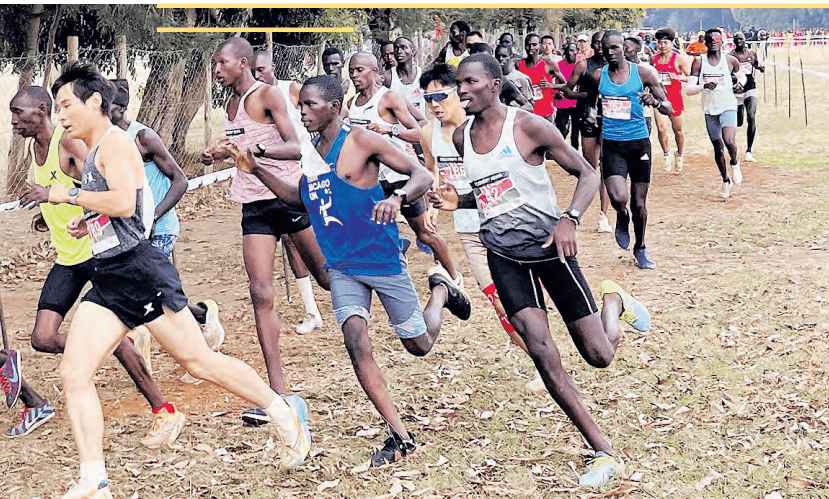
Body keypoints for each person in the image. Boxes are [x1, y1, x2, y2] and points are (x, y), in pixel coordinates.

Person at [48, 62, 310, 499]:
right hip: (109, 275)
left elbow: (124, 203)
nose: (60, 117)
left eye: (66, 105)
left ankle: (282, 413)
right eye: (57, 108)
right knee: (74, 372)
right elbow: (118, 206)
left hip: (139, 270)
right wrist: (88, 219)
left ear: (94, 102)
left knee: (199, 362)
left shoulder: (116, 144)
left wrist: (71, 195)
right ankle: (94, 480)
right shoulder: (92, 148)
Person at [222, 74, 471, 466]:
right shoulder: (310, 151)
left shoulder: (361, 140)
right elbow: (297, 198)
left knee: (418, 345)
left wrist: (399, 198)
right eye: (299, 105)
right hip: (341, 265)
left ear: (333, 108)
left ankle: (440, 288)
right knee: (356, 342)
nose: (300, 112)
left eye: (309, 105)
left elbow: (421, 174)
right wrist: (256, 170)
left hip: (382, 258)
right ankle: (401, 437)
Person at [433, 53, 652, 488]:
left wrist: (569, 217)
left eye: (470, 82)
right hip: (503, 256)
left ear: (495, 84)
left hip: (550, 250)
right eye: (459, 83)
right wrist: (464, 202)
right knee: (541, 350)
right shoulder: (461, 137)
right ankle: (603, 451)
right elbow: (493, 194)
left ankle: (613, 301)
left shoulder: (528, 126)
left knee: (599, 356)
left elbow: (587, 174)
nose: (461, 91)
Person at [9, 86, 185, 448]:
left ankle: (164, 409)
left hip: (98, 254)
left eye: (18, 113)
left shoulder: (69, 143)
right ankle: (113, 342)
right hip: (68, 258)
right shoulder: (35, 147)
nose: (13, 120)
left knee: (152, 338)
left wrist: (70, 206)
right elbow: (61, 192)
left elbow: (107, 188)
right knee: (42, 339)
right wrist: (48, 216)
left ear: (41, 110)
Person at [202, 37, 330, 425]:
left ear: (243, 63)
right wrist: (222, 153)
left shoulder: (269, 95)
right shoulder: (229, 104)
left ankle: (371, 287)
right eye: (214, 63)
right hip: (254, 204)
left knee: (326, 277)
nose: (217, 69)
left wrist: (256, 156)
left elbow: (295, 145)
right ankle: (278, 393)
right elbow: (241, 143)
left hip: (287, 196)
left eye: (222, 63)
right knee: (260, 291)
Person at [108, 80, 226, 349]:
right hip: (128, 232)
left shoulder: (142, 138)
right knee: (153, 290)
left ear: (120, 109)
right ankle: (200, 314)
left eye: (105, 104)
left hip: (159, 228)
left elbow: (180, 181)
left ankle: (186, 345)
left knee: (152, 289)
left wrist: (152, 217)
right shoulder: (102, 142)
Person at [347, 52, 462, 285]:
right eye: (352, 71)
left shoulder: (389, 99)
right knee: (369, 230)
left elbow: (420, 131)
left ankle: (453, 276)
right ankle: (397, 253)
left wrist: (389, 130)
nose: (355, 75)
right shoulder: (351, 105)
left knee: (425, 234)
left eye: (360, 70)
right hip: (372, 180)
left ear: (376, 71)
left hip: (401, 177)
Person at [251, 50, 325, 334]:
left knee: (325, 233)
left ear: (272, 67)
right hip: (282, 180)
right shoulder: (253, 100)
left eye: (262, 70)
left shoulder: (290, 89)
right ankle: (311, 310)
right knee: (291, 243)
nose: (259, 76)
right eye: (255, 72)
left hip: (312, 169)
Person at [593, 31, 674, 269]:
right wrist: (589, 115)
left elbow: (669, 107)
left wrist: (656, 102)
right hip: (612, 145)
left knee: (639, 202)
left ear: (625, 48)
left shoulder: (643, 73)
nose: (610, 52)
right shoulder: (599, 76)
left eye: (615, 48)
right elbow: (588, 103)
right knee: (619, 198)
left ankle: (640, 247)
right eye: (606, 48)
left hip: (638, 143)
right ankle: (621, 214)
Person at [558, 31, 612, 233]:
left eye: (602, 43)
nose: (599, 46)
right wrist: (588, 95)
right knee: (591, 169)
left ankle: (603, 216)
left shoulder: (616, 65)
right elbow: (567, 90)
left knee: (607, 166)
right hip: (588, 117)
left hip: (610, 118)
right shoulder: (584, 65)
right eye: (596, 43)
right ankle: (578, 212)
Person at [688, 29, 746, 199]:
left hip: (728, 106)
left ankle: (735, 163)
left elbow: (742, 77)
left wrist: (739, 85)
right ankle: (725, 180)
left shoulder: (730, 60)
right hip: (709, 109)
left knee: (729, 140)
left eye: (717, 39)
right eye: (710, 40)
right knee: (718, 147)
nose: (714, 42)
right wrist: (704, 86)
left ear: (722, 42)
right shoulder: (699, 62)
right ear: (705, 42)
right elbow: (689, 90)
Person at [652, 27, 691, 173]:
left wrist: (679, 77)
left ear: (672, 43)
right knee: (661, 129)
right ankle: (666, 153)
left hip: (675, 99)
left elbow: (691, 77)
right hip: (659, 99)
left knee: (678, 130)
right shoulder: (654, 59)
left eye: (666, 43)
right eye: (660, 43)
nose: (662, 46)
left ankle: (679, 154)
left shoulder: (679, 58)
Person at [730, 31, 765, 163]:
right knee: (739, 122)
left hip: (750, 87)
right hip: (738, 89)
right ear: (734, 42)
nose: (739, 41)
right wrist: (736, 79)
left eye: (741, 39)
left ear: (745, 40)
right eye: (736, 40)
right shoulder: (731, 56)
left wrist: (761, 67)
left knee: (751, 116)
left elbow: (756, 65)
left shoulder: (751, 53)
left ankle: (749, 151)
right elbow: (728, 73)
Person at [518, 33, 567, 123]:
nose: (531, 48)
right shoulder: (519, 65)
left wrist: (550, 85)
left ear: (540, 46)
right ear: (524, 46)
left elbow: (565, 85)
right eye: (528, 45)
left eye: (534, 45)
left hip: (545, 113)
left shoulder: (548, 64)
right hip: (526, 113)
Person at [553, 42, 580, 149]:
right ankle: (559, 149)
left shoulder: (581, 64)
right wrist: (556, 93)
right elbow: (554, 81)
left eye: (573, 50)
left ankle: (575, 151)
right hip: (562, 102)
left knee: (576, 130)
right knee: (561, 127)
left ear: (577, 51)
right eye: (568, 50)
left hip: (577, 102)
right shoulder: (559, 65)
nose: (570, 53)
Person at [494, 44, 534, 112]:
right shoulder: (492, 77)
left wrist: (512, 112)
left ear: (511, 57)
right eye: (498, 56)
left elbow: (530, 104)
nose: (500, 59)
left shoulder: (522, 79)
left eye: (504, 56)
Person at [321, 46, 355, 110]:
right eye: (326, 65)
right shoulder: (319, 88)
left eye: (335, 64)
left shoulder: (353, 87)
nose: (330, 68)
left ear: (343, 63)